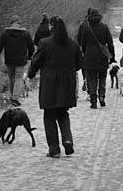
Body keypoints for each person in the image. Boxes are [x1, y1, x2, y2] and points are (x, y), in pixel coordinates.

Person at [28, 16, 83, 158]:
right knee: (63, 113)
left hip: (50, 84)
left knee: (49, 116)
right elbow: (79, 64)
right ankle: (67, 140)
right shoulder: (73, 44)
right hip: (67, 84)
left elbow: (36, 61)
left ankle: (54, 149)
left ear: (51, 27)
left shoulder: (44, 43)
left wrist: (30, 75)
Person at [0, 15, 35, 106]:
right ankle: (15, 98)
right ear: (19, 23)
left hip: (9, 60)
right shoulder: (25, 34)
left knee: (12, 78)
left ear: (11, 23)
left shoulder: (5, 34)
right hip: (21, 61)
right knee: (19, 78)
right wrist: (29, 56)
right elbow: (31, 47)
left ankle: (13, 97)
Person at [77, 7, 115, 109]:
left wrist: (85, 53)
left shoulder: (86, 28)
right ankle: (102, 96)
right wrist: (112, 57)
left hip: (90, 57)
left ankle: (93, 100)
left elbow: (83, 43)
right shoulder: (104, 27)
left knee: (92, 79)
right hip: (102, 57)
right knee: (102, 77)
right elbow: (110, 43)